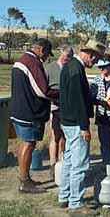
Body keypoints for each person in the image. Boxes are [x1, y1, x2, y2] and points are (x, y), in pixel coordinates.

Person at [58, 40, 105, 216]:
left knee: (69, 160)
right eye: (96, 59)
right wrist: (85, 127)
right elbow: (78, 101)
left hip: (67, 121)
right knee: (79, 164)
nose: (96, 63)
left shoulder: (69, 66)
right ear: (91, 55)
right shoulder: (77, 70)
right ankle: (76, 204)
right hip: (76, 124)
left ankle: (64, 196)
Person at [11, 38, 59, 194]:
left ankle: (25, 178)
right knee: (29, 144)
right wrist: (59, 94)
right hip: (29, 112)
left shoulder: (20, 60)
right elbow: (42, 90)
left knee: (25, 143)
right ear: (42, 50)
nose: (46, 59)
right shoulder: (33, 63)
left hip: (19, 109)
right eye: (46, 55)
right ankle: (24, 182)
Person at [45, 45, 74, 180]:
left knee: (65, 137)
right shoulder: (50, 68)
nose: (65, 60)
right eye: (64, 57)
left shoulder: (71, 69)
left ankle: (63, 164)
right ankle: (52, 165)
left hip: (68, 108)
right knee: (54, 136)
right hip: (54, 107)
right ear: (60, 55)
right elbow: (44, 89)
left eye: (68, 58)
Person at [90, 53, 110, 167]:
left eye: (104, 66)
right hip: (101, 116)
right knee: (104, 143)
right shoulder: (96, 80)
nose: (102, 69)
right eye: (100, 67)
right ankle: (106, 165)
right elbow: (91, 96)